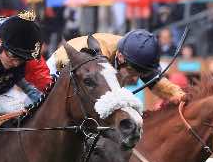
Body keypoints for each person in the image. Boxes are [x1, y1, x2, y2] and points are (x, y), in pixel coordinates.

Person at [49, 29, 185, 105]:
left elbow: (156, 81)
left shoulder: (132, 53)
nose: (136, 79)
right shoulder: (96, 60)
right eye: (133, 72)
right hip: (54, 75)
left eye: (141, 74)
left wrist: (179, 95)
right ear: (120, 57)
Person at [0, 12, 51, 124]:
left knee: (20, 110)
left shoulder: (29, 54)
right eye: (12, 57)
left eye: (21, 60)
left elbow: (46, 86)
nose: (16, 64)